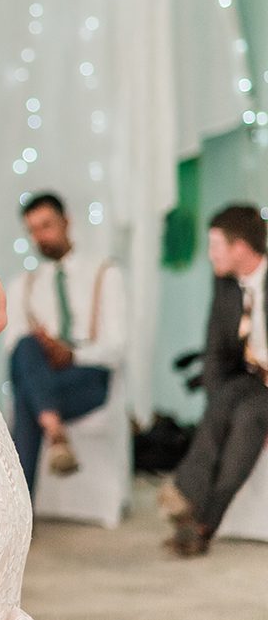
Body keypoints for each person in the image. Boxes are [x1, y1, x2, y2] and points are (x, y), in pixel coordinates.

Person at [158, 204, 268, 557]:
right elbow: (216, 347)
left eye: (215, 246)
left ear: (239, 248)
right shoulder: (226, 284)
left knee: (248, 417)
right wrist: (215, 400)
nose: (210, 256)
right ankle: (191, 498)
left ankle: (202, 517)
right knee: (226, 398)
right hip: (251, 378)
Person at [4, 193, 127, 494]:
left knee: (26, 396)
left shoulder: (105, 273)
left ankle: (21, 515)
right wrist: (46, 347)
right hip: (45, 375)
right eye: (32, 230)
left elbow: (117, 346)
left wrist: (71, 354)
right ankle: (55, 430)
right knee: (25, 345)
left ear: (66, 221)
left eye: (46, 226)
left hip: (88, 378)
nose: (40, 237)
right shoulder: (23, 284)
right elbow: (13, 349)